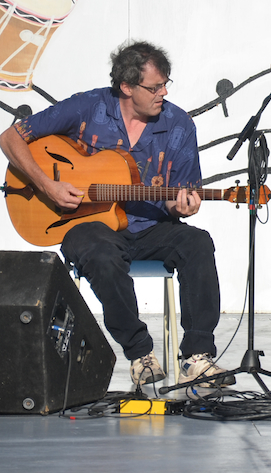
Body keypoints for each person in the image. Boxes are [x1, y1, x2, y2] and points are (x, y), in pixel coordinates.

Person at [0, 41, 234, 388]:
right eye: (155, 87)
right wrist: (48, 185)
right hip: (88, 227)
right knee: (101, 255)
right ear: (127, 87)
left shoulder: (179, 125)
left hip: (152, 226)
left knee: (197, 243)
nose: (163, 93)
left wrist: (182, 204)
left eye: (166, 84)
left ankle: (197, 358)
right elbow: (11, 138)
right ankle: (140, 354)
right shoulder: (88, 107)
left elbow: (180, 193)